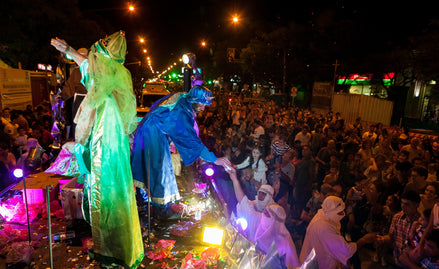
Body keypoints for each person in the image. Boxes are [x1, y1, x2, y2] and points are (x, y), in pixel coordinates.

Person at [50, 31, 144, 268]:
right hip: (112, 158)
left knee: (107, 198)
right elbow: (91, 66)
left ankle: (112, 254)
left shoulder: (104, 104)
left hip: (107, 161)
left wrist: (78, 145)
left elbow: (97, 151)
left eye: (94, 61)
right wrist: (69, 51)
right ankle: (114, 250)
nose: (90, 68)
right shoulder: (113, 85)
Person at [131, 85, 232, 216]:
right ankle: (160, 210)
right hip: (152, 133)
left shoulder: (183, 99)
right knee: (159, 171)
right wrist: (214, 159)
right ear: (195, 100)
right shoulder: (183, 112)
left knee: (160, 170)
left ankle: (160, 205)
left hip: (153, 131)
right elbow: (192, 141)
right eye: (202, 103)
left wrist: (171, 140)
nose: (204, 107)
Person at [299, 196, 376, 269]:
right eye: (340, 212)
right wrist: (364, 240)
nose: (343, 214)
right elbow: (343, 250)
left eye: (343, 211)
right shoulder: (323, 226)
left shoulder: (324, 215)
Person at [226, 167, 275, 243]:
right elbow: (243, 201)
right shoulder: (253, 203)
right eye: (260, 192)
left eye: (264, 194)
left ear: (269, 197)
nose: (260, 195)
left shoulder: (273, 211)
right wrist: (234, 179)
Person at [255, 204, 300, 268]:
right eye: (265, 211)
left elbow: (290, 266)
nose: (264, 214)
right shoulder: (262, 231)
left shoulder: (285, 244)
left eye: (268, 213)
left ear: (275, 221)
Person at [60, 47, 89, 140]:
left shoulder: (77, 71)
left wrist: (61, 97)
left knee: (79, 126)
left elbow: (69, 88)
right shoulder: (95, 69)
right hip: (94, 100)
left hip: (81, 101)